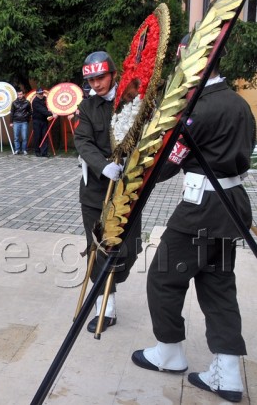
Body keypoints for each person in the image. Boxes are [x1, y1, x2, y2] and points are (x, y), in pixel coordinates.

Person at [131, 66, 255, 403]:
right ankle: (227, 373)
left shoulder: (198, 107)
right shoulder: (238, 102)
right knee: (219, 286)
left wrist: (137, 166)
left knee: (163, 278)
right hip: (232, 205)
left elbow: (168, 163)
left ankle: (169, 352)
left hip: (202, 208)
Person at [75, 50, 140, 333]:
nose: (96, 84)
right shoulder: (87, 107)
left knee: (129, 247)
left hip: (128, 187)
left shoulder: (134, 99)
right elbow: (83, 141)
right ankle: (106, 303)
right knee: (100, 246)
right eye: (91, 79)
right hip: (96, 189)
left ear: (113, 74)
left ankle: (114, 282)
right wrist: (103, 167)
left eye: (100, 77)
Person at [31, 88, 53, 157]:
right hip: (37, 121)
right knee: (37, 136)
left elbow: (50, 105)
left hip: (44, 120)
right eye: (39, 93)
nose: (41, 95)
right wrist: (51, 113)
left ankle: (44, 152)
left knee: (45, 136)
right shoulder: (35, 101)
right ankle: (37, 151)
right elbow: (42, 110)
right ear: (36, 94)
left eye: (42, 93)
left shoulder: (45, 99)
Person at [10, 89, 31, 155]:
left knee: (24, 137)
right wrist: (11, 122)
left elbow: (30, 111)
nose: (19, 96)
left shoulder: (27, 102)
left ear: (23, 94)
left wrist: (26, 116)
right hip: (16, 121)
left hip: (24, 122)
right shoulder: (14, 103)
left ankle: (24, 149)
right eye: (18, 94)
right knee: (16, 137)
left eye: (21, 94)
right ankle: (17, 149)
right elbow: (12, 112)